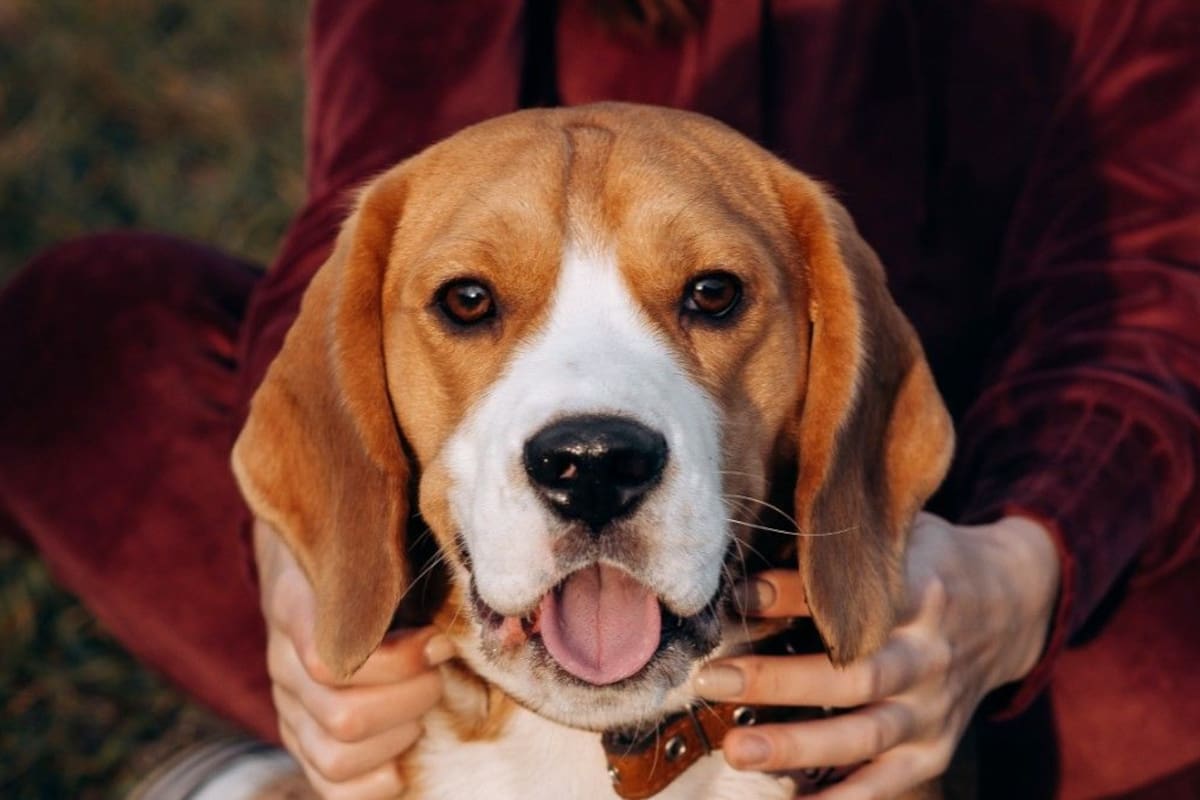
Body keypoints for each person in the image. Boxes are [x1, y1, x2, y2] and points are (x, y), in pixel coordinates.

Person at [2, 1, 1197, 798]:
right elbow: (383, 209)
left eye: (712, 292)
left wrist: (1017, 572)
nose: (592, 437)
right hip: (463, 542)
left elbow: (1154, 277)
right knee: (84, 335)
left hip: (953, 508)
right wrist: (306, 542)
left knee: (1161, 674)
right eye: (476, 301)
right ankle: (333, 727)